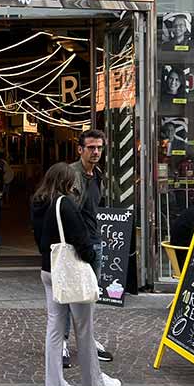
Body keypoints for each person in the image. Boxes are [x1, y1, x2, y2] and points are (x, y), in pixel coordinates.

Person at [31, 162, 122, 386]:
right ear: (66, 181)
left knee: (54, 328)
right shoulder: (66, 204)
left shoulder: (38, 203)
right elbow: (82, 241)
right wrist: (91, 263)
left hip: (49, 269)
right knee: (84, 327)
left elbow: (39, 240)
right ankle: (93, 381)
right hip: (70, 272)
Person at [66, 129, 114, 365]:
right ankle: (62, 342)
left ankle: (87, 340)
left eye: (99, 148)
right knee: (66, 296)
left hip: (94, 242)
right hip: (72, 244)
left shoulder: (98, 175)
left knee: (89, 296)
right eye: (91, 147)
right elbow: (68, 211)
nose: (96, 152)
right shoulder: (70, 175)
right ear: (80, 149)